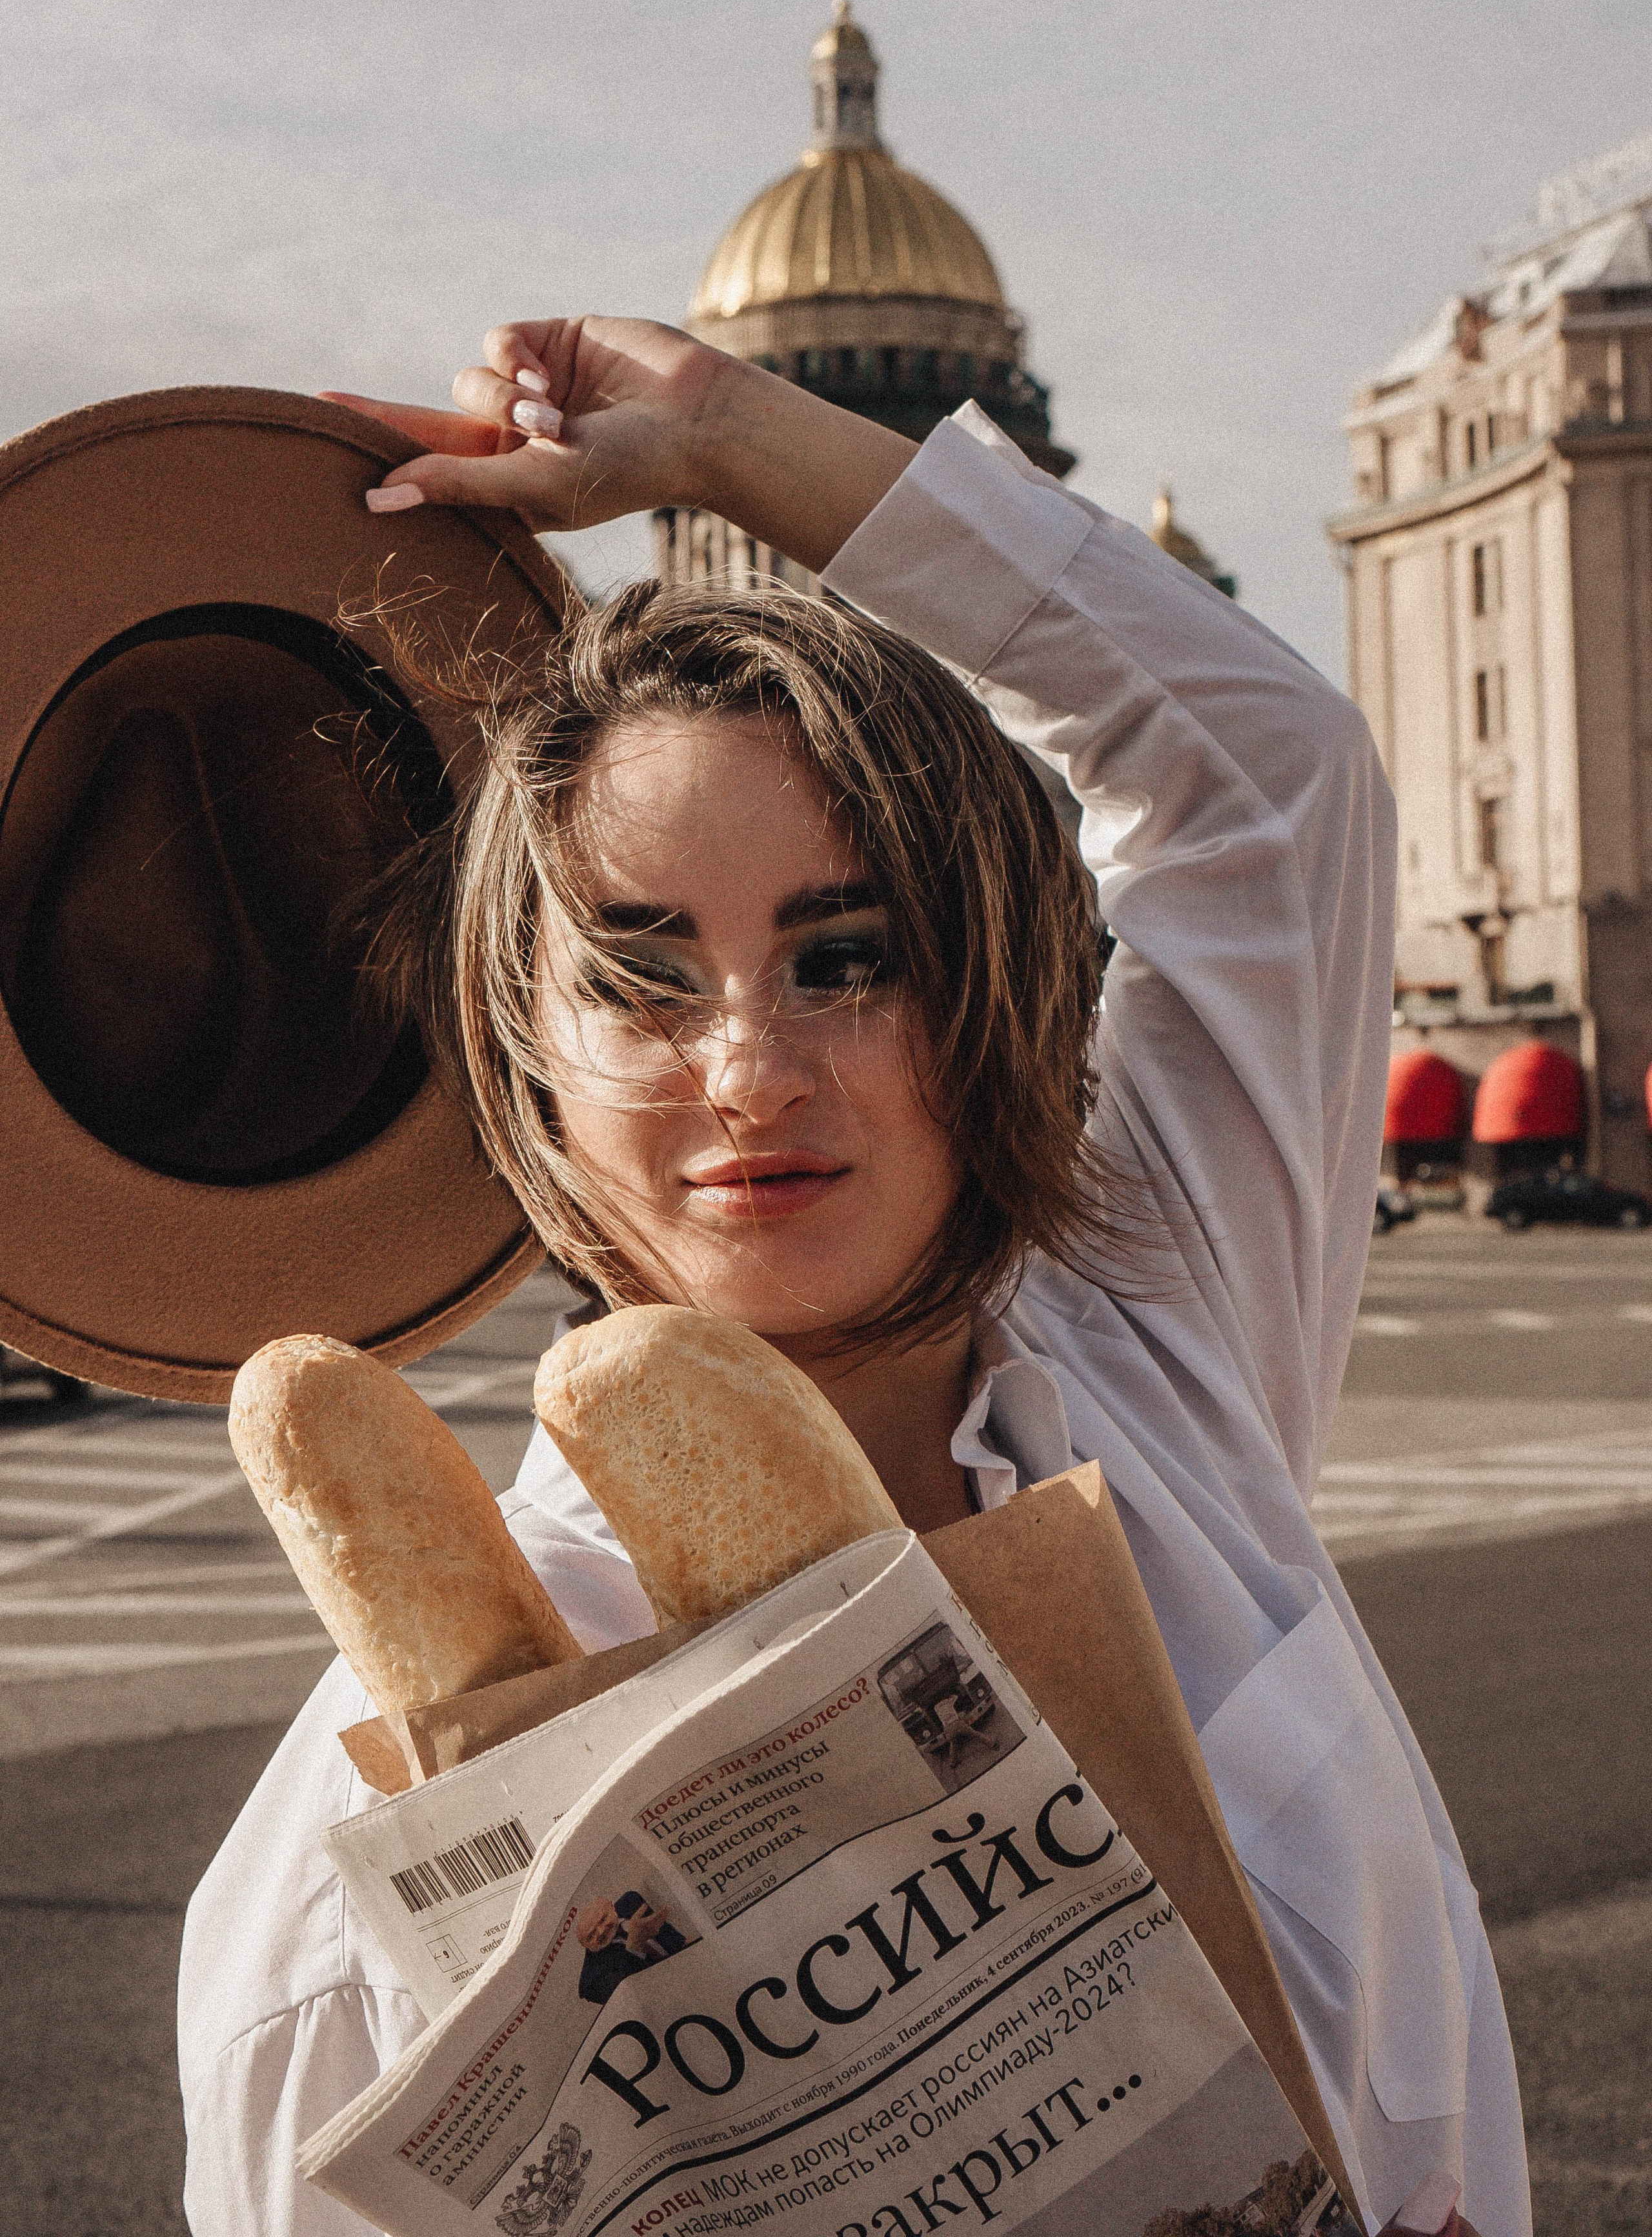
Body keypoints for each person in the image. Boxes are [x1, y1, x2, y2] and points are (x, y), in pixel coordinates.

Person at [178, 318, 1523, 2237]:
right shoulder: (369, 1853)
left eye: (845, 953)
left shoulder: (1156, 1336)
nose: (750, 1067)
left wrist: (726, 436)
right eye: (643, 973)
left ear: (981, 977)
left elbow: (1271, 779)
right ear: (523, 1051)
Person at [573, 1891, 686, 2007]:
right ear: (585, 1945)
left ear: (612, 1907)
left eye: (603, 1920)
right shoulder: (591, 1984)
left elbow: (674, 1937)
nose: (601, 1931)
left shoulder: (631, 1902)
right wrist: (634, 1948)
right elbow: (640, 1996)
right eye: (591, 1935)